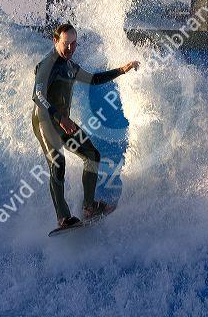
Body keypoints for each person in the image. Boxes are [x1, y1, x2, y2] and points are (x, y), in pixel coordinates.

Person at [32, 23, 140, 229]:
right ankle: (63, 218)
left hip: (62, 122)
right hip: (45, 120)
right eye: (66, 44)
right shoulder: (48, 64)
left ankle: (89, 207)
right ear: (56, 41)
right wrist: (61, 118)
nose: (71, 49)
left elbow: (93, 79)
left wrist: (121, 70)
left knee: (92, 155)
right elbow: (37, 96)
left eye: (74, 44)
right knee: (58, 165)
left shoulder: (70, 66)